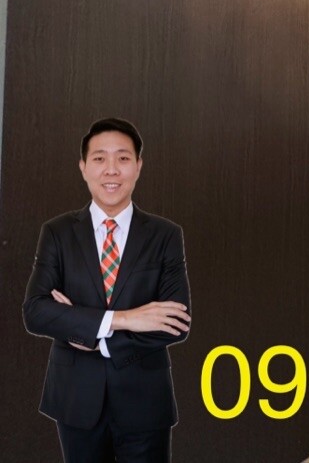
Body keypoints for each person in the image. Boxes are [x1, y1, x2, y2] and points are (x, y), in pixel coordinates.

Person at [23, 118, 191, 462]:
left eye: (123, 158)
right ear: (83, 167)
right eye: (99, 158)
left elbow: (177, 323)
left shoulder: (165, 235)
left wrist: (84, 328)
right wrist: (124, 319)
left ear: (138, 166)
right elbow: (36, 311)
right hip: (75, 397)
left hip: (145, 400)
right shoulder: (57, 232)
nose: (111, 170)